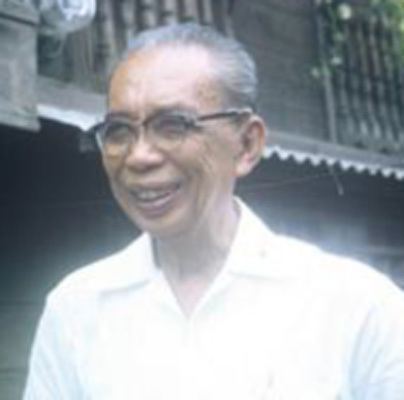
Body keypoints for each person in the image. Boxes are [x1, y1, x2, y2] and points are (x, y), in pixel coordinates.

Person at [24, 23, 404, 400]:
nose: (139, 156)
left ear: (247, 145)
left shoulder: (356, 307)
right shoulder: (76, 309)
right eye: (119, 130)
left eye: (173, 125)